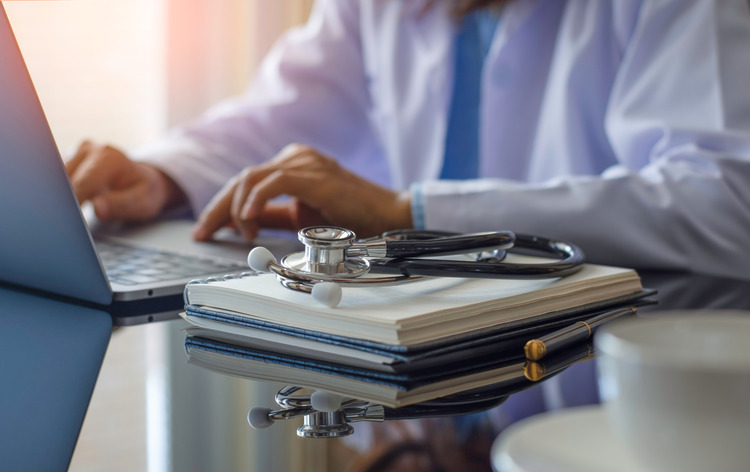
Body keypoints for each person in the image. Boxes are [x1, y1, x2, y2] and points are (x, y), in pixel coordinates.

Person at [66, 0, 750, 279]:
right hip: (421, 434)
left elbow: (726, 199)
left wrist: (412, 218)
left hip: (610, 438)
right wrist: (163, 176)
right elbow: (281, 117)